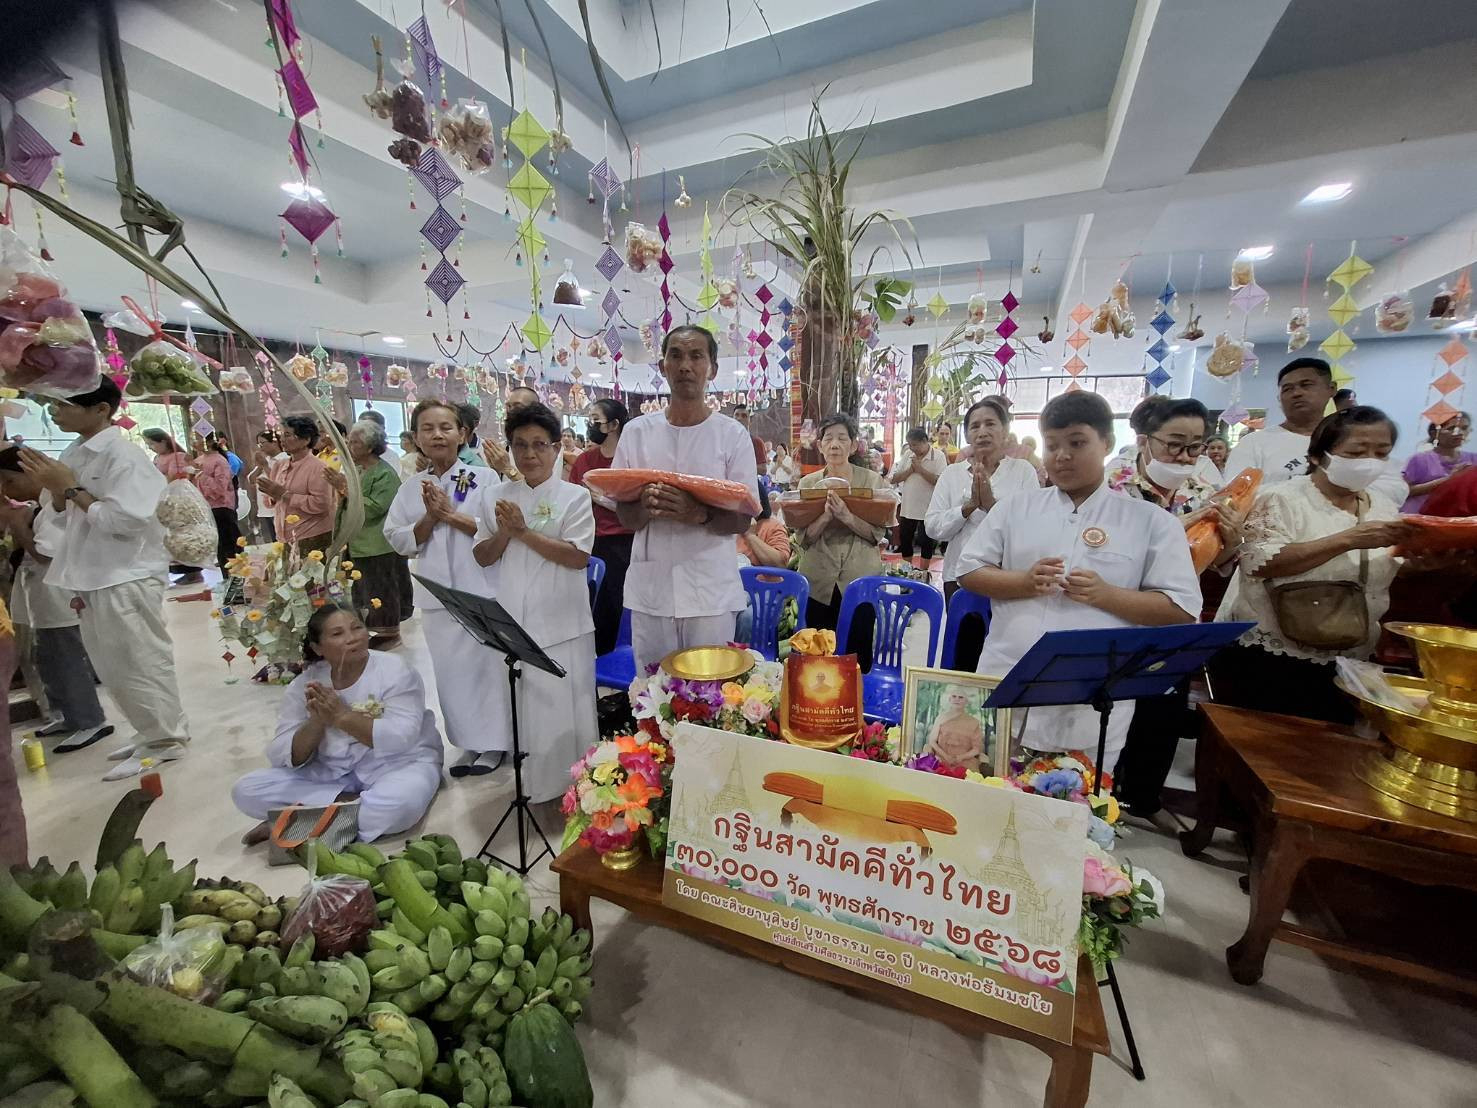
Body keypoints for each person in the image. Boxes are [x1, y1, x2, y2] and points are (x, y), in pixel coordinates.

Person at [957, 391, 1200, 771]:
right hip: (1006, 680)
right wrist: (1022, 582)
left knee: (1073, 809)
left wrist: (1107, 595)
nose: (1062, 455)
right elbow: (969, 570)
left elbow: (1182, 611)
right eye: (1052, 445)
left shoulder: (1150, 522)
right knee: (991, 793)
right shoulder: (1015, 508)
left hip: (1091, 701)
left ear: (1107, 443)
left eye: (1077, 443)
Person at [18, 378, 191, 776]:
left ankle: (166, 740)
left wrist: (72, 487)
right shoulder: (76, 451)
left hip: (125, 573)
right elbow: (57, 512)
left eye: (64, 403)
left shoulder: (123, 456)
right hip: (93, 572)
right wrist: (61, 490)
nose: (54, 410)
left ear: (100, 409)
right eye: (53, 403)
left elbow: (128, 521)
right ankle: (152, 731)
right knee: (112, 666)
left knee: (141, 660)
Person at [1211, 406, 1412, 724]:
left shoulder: (1384, 507)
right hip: (1272, 655)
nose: (1369, 461)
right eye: (1356, 452)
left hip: (1349, 653)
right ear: (1319, 455)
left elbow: (1388, 566)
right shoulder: (1280, 498)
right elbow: (1260, 561)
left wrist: (1426, 562)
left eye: (1380, 452)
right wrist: (1347, 539)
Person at [1106, 396, 1244, 817]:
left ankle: (1142, 797)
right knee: (1112, 713)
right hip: (1119, 612)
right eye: (1174, 445)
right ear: (1145, 440)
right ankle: (1101, 794)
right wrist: (1175, 525)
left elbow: (1217, 566)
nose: (1184, 456)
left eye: (1195, 447)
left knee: (1162, 713)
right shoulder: (1114, 485)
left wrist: (1233, 539)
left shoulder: (1205, 494)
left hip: (1177, 620)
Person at [231, 604, 444, 845]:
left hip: (397, 765)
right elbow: (285, 754)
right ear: (318, 648)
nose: (352, 638)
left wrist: (342, 717)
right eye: (337, 634)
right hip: (333, 775)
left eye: (357, 628)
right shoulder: (306, 684)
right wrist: (317, 721)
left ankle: (297, 825)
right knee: (246, 790)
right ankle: (347, 806)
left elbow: (401, 738)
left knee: (398, 807)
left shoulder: (395, 671)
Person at [612, 325, 758, 674]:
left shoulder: (732, 436)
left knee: (707, 699)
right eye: (675, 355)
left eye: (696, 356)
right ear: (663, 366)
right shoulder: (637, 433)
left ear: (713, 368)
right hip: (652, 591)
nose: (685, 365)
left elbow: (744, 519)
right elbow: (623, 515)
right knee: (652, 696)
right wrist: (644, 507)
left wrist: (698, 514)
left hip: (710, 592)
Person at [472, 403, 598, 806]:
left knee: (566, 709)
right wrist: (506, 534)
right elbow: (482, 556)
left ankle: (578, 789)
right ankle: (533, 787)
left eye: (539, 445)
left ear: (556, 447)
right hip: (514, 619)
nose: (529, 454)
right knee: (526, 708)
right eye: (520, 445)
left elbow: (578, 556)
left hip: (563, 620)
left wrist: (523, 532)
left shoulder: (574, 497)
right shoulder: (495, 496)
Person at [385, 400, 507, 776]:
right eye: (427, 428)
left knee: (487, 670)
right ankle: (467, 742)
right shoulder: (411, 489)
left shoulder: (485, 479)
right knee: (451, 674)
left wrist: (449, 515)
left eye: (446, 427)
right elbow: (398, 539)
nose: (437, 435)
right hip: (437, 595)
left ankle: (496, 744)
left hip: (481, 590)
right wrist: (429, 518)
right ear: (417, 437)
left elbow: (496, 529)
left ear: (462, 434)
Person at [0, 448, 110, 752]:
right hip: (38, 594)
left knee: (67, 658)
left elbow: (46, 552)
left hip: (58, 593)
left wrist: (16, 524)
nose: (7, 489)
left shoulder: (57, 503)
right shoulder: (38, 504)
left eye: (10, 481)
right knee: (46, 657)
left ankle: (90, 720)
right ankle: (66, 715)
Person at [1226, 357, 1407, 504]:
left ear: (1331, 389)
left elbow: (1394, 491)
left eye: (1306, 385)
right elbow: (1235, 496)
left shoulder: (1358, 439)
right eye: (1288, 389)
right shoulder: (1254, 444)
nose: (1297, 393)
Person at [926, 396, 1040, 603]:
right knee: (964, 635)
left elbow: (1031, 529)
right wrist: (967, 508)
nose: (982, 432)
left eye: (990, 424)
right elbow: (933, 528)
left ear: (1005, 431)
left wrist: (991, 506)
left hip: (1009, 577)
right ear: (968, 435)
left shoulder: (1023, 471)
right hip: (959, 575)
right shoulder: (952, 474)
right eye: (975, 426)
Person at [795, 414, 890, 636]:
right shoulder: (808, 484)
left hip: (860, 578)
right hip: (819, 580)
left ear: (854, 445)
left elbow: (876, 534)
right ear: (820, 446)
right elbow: (803, 539)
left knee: (858, 653)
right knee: (820, 653)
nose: (834, 445)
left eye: (842, 438)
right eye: (828, 439)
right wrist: (826, 517)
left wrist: (847, 516)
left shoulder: (872, 482)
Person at [326, 421, 407, 649]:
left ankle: (390, 633)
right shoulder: (358, 470)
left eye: (355, 442)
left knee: (382, 590)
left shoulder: (384, 474)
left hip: (377, 543)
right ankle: (370, 629)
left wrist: (345, 488)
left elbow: (373, 509)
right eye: (349, 440)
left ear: (371, 447)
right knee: (362, 589)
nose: (349, 445)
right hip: (357, 541)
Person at [568, 398, 634, 657]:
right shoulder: (585, 460)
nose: (590, 426)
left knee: (617, 605)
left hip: (622, 542)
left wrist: (599, 497)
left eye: (596, 420)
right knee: (592, 606)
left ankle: (617, 656)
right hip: (590, 541)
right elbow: (574, 497)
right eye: (589, 420)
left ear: (614, 425)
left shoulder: (628, 459)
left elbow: (634, 506)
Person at [257, 415, 337, 554]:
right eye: (281, 434)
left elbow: (321, 504)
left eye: (287, 435)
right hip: (285, 536)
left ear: (306, 439)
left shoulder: (318, 467)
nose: (282, 439)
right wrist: (271, 494)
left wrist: (283, 494)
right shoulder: (280, 465)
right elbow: (272, 501)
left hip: (312, 535)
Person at [142, 428, 204, 584]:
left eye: (152, 443)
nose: (150, 447)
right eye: (148, 444)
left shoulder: (178, 457)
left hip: (179, 501)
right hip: (163, 500)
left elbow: (175, 478)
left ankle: (193, 573)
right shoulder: (157, 458)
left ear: (163, 441)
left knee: (184, 536)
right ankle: (180, 571)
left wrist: (157, 480)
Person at [889, 427, 947, 564]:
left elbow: (940, 481)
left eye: (914, 444)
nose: (911, 448)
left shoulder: (938, 456)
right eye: (909, 444)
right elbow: (894, 478)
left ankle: (924, 572)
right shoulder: (908, 454)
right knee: (905, 539)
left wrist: (920, 469)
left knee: (926, 541)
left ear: (925, 441)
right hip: (908, 506)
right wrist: (910, 470)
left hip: (928, 506)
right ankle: (907, 570)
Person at [1401, 411, 1475, 513]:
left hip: (1458, 520)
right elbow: (1404, 491)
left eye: (1464, 428)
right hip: (1420, 518)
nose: (1459, 433)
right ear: (1435, 433)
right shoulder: (1419, 459)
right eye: (1451, 428)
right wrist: (1449, 479)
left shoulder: (1473, 459)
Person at [192, 433, 240, 572]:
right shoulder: (200, 460)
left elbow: (219, 489)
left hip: (222, 508)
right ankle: (227, 580)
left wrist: (202, 475)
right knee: (219, 547)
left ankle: (237, 581)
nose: (194, 442)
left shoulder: (220, 461)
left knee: (229, 547)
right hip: (207, 508)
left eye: (197, 438)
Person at [481, 386, 540, 481]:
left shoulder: (547, 448)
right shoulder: (504, 447)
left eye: (517, 406)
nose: (510, 411)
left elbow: (541, 492)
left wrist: (507, 468)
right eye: (508, 406)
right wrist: (495, 469)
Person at [923, 686, 985, 774]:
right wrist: (946, 757)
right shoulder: (941, 718)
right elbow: (932, 741)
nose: (957, 699)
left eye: (961, 697)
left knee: (968, 777)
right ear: (949, 699)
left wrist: (960, 757)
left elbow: (976, 749)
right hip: (941, 758)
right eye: (954, 696)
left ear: (966, 701)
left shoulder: (973, 722)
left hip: (965, 761)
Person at [738, 483, 792, 569]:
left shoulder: (772, 526)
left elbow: (780, 563)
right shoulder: (726, 526)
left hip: (763, 581)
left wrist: (750, 535)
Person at [249, 430, 286, 542]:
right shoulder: (266, 460)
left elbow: (278, 483)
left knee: (282, 540)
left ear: (274, 442)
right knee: (273, 543)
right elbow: (251, 479)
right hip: (264, 509)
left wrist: (265, 465)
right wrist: (260, 466)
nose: (260, 447)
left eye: (262, 443)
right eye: (258, 444)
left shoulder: (284, 459)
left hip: (279, 508)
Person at [733, 404, 769, 470]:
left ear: (750, 420)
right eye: (736, 415)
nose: (739, 418)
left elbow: (763, 469)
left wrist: (741, 466)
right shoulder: (725, 441)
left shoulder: (756, 442)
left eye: (744, 416)